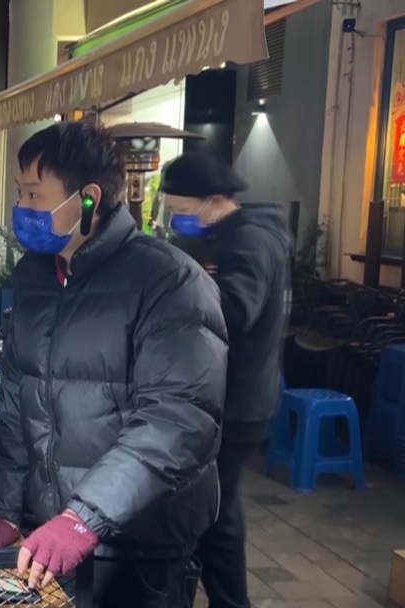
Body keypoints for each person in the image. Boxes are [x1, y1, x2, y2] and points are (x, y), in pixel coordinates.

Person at [0, 122, 227, 608]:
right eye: (19, 193)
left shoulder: (169, 283)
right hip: (53, 538)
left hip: (140, 548)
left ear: (89, 199)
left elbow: (178, 420)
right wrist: (3, 513)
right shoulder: (35, 277)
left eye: (34, 194)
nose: (21, 208)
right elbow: (17, 407)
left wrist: (85, 518)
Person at [161, 152, 291, 608]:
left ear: (215, 199)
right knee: (214, 509)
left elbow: (233, 312)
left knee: (215, 511)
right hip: (218, 395)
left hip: (238, 401)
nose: (177, 219)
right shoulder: (218, 234)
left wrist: (177, 300)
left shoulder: (253, 240)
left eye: (181, 209)